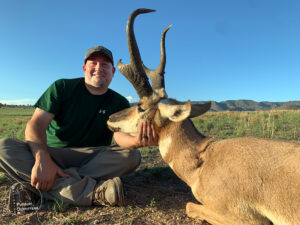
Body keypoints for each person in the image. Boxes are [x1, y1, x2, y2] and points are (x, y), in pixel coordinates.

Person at [0, 46, 158, 207]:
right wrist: (43, 159)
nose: (98, 68)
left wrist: (136, 141)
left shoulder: (119, 102)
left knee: (132, 156)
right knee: (3, 147)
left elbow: (118, 136)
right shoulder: (62, 87)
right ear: (84, 68)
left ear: (113, 71)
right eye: (93, 63)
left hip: (92, 159)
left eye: (104, 64)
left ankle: (40, 189)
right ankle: (93, 193)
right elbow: (37, 124)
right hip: (53, 154)